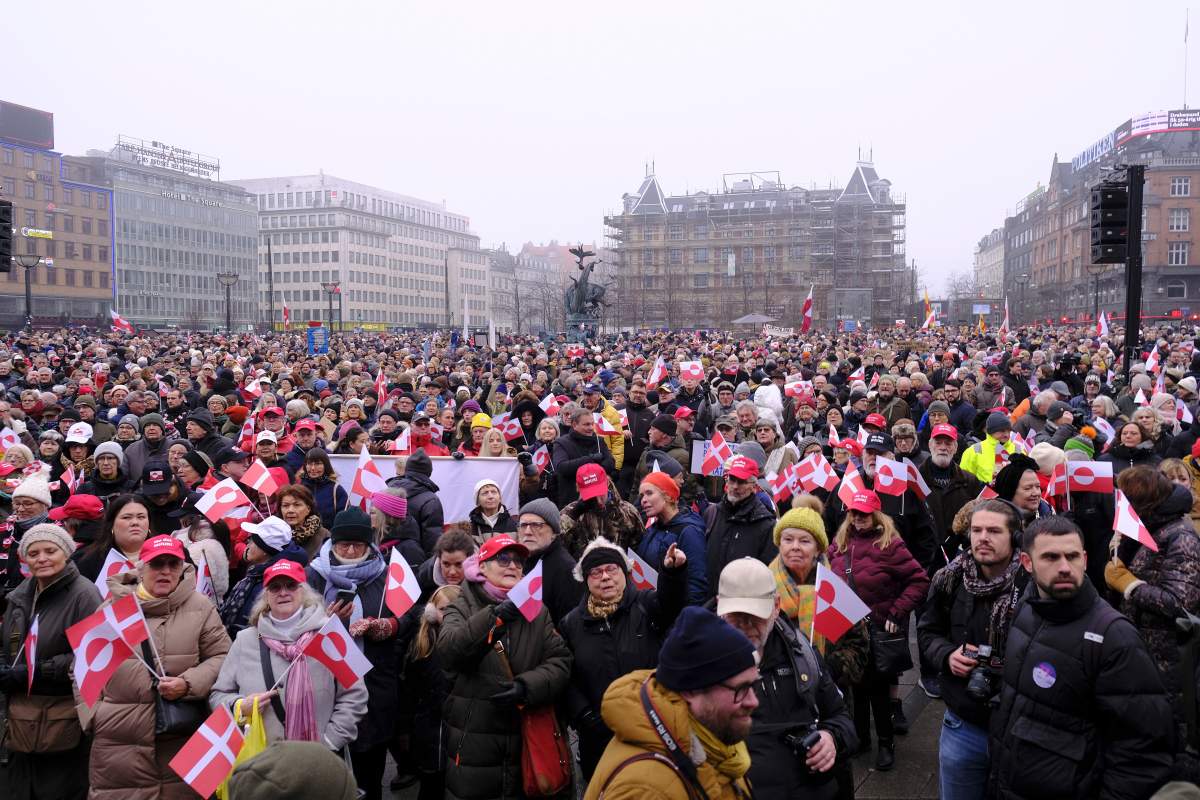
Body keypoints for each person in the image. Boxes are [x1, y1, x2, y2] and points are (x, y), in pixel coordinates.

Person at [988, 516, 1175, 798]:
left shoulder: (1114, 637)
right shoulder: (1026, 608)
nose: (1064, 567)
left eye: (1072, 556)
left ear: (1085, 559)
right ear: (1027, 563)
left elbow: (1143, 757)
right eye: (1051, 557)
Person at [87, 535, 231, 800]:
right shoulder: (112, 609)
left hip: (180, 740)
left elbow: (223, 656)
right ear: (141, 568)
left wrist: (188, 683)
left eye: (173, 564)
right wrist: (94, 715)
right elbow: (82, 669)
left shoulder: (200, 607)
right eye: (157, 564)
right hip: (117, 744)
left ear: (183, 568)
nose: (165, 571)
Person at [438, 534, 573, 800]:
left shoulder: (536, 608)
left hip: (525, 738)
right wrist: (495, 616)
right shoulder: (461, 604)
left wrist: (527, 686)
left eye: (519, 561)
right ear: (482, 566)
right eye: (503, 558)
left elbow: (560, 661)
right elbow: (450, 651)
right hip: (475, 740)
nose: (512, 565)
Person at [716, 557, 857, 800]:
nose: (747, 626)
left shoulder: (801, 653)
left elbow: (840, 716)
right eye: (737, 616)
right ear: (720, 607)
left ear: (776, 606)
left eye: (756, 615)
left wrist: (831, 738)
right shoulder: (700, 665)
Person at [583, 606, 758, 800]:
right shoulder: (645, 790)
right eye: (741, 689)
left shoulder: (715, 743)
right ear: (692, 690)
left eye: (752, 686)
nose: (753, 701)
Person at [917, 499, 1028, 800]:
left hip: (1020, 727)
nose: (982, 538)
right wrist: (946, 655)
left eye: (993, 531)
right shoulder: (950, 579)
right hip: (963, 722)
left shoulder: (1032, 584)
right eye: (976, 530)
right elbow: (927, 631)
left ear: (1016, 537)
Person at [560, 536, 689, 779]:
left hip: (653, 727)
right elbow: (567, 678)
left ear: (625, 573)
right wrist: (585, 716)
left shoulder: (646, 604)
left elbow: (672, 603)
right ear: (586, 580)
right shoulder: (571, 624)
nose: (605, 577)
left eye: (611, 569)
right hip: (599, 739)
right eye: (596, 572)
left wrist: (673, 572)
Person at [209, 559, 368, 749]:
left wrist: (330, 741)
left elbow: (356, 695)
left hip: (318, 760)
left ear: (303, 591)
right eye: (275, 587)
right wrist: (240, 706)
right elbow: (218, 695)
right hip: (260, 764)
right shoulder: (244, 639)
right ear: (266, 595)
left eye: (291, 586)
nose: (283, 592)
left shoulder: (331, 634)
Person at [827, 489, 929, 771]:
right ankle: (861, 739)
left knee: (879, 690)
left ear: (876, 514)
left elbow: (919, 581)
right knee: (855, 687)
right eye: (854, 513)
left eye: (864, 513)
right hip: (845, 632)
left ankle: (886, 743)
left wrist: (897, 612)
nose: (858, 518)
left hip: (876, 630)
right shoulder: (839, 543)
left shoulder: (890, 545)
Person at [0, 523, 101, 800]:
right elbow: (8, 641)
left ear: (66, 552)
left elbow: (92, 655)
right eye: (33, 553)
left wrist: (36, 672)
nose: (41, 558)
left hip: (63, 720)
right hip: (21, 719)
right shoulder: (20, 594)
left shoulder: (85, 594)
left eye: (50, 550)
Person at [306, 507, 400, 800]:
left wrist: (387, 625)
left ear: (368, 545)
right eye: (342, 544)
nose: (348, 550)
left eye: (356, 544)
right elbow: (294, 628)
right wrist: (326, 620)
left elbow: (411, 617)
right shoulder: (314, 576)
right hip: (325, 689)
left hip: (374, 686)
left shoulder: (386, 577)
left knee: (369, 773)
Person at [1105, 465, 1200, 754]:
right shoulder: (1150, 527)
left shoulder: (1180, 536)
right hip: (1142, 651)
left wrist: (1129, 585)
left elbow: (1181, 602)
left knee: (1171, 737)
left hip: (1169, 658)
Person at [405, 583, 463, 800]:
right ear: (431, 612)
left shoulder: (466, 643)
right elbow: (411, 687)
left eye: (453, 610)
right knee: (431, 784)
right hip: (430, 729)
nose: (447, 615)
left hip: (457, 726)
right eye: (442, 609)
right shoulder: (423, 644)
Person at [218, 515, 310, 636]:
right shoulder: (256, 573)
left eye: (252, 541)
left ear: (265, 550)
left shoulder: (272, 584)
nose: (248, 545)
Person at [703, 454, 778, 597]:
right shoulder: (712, 513)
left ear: (754, 487)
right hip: (709, 604)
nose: (735, 486)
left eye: (742, 482)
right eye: (732, 480)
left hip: (741, 609)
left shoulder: (766, 525)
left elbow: (766, 577)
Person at [637, 471, 708, 605]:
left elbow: (697, 585)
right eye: (641, 496)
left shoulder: (689, 532)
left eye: (649, 493)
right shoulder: (652, 528)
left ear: (668, 496)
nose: (643, 500)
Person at [920, 423, 983, 562]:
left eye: (948, 443)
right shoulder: (915, 480)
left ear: (955, 448)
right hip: (925, 557)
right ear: (930, 446)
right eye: (938, 442)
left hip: (960, 556)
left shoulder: (970, 481)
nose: (943, 447)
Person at [515, 497, 582, 624]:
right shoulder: (519, 561)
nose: (528, 531)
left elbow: (569, 625)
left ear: (554, 532)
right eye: (523, 525)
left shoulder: (566, 569)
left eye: (536, 525)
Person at [560, 462, 645, 559]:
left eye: (600, 492)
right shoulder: (570, 513)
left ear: (607, 482)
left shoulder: (628, 512)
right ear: (579, 489)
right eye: (590, 494)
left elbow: (640, 552)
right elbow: (557, 547)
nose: (598, 500)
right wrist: (572, 517)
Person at [73, 493, 151, 584]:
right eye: (126, 517)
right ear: (111, 524)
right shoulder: (89, 561)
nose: (135, 522)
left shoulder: (164, 555)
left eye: (141, 517)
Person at [168, 492, 231, 603]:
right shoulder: (216, 538)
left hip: (197, 607)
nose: (179, 520)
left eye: (182, 516)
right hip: (212, 605)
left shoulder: (198, 547)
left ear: (193, 518)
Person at [0, 474, 52, 606]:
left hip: (36, 602)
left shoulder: (54, 533)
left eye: (28, 504)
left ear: (44, 505)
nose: (21, 509)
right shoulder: (4, 529)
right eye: (17, 503)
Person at [553, 406, 617, 505]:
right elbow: (561, 467)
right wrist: (590, 459)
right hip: (573, 501)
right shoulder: (561, 443)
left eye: (592, 424)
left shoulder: (599, 441)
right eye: (586, 425)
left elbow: (611, 462)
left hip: (599, 499)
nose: (591, 428)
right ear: (574, 425)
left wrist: (594, 470)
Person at [390, 450, 444, 555]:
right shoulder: (431, 500)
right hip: (416, 558)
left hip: (388, 555)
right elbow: (432, 537)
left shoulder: (387, 490)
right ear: (429, 472)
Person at [959, 412, 1018, 484]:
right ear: (991, 431)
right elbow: (964, 480)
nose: (1006, 434)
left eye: (1009, 430)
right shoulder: (973, 451)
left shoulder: (1017, 448)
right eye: (1002, 431)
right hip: (983, 494)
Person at [299, 448, 349, 530]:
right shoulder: (299, 489)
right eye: (309, 464)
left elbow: (343, 520)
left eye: (318, 464)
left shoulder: (336, 490)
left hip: (329, 538)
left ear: (326, 465)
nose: (313, 468)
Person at [276, 483, 329, 560]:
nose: (290, 510)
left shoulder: (324, 536)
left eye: (297, 505)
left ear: (308, 509)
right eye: (285, 505)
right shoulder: (274, 534)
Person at [467, 477, 516, 546]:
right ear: (478, 501)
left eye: (494, 492)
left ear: (500, 498)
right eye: (485, 493)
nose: (490, 496)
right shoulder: (470, 529)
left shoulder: (514, 525)